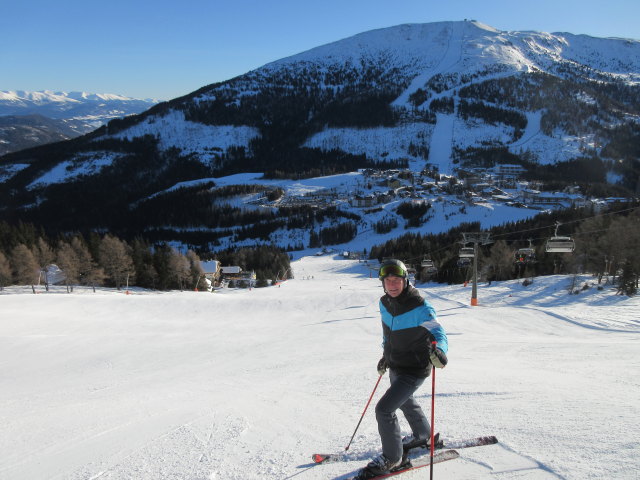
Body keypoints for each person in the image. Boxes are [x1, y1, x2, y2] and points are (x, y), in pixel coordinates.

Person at [357, 259, 448, 479]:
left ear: (405, 280)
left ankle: (393, 457)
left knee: (384, 409)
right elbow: (388, 333)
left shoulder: (421, 307)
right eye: (388, 280)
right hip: (395, 363)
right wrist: (385, 355)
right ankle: (423, 434)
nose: (392, 284)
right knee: (405, 400)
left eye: (397, 280)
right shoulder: (384, 303)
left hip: (415, 368)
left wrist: (441, 352)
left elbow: (438, 333)